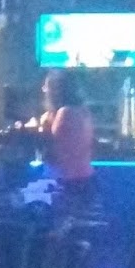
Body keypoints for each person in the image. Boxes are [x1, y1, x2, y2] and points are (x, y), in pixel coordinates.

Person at [42, 68, 96, 212]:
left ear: (56, 89)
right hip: (85, 178)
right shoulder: (83, 110)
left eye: (46, 86)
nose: (44, 90)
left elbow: (52, 149)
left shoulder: (65, 113)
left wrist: (43, 127)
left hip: (68, 183)